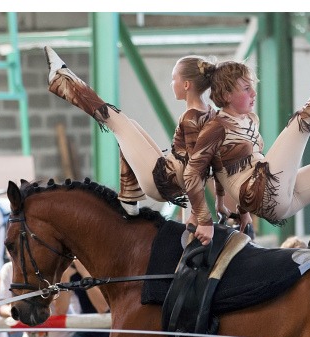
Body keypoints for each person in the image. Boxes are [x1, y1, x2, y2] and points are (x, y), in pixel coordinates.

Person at [182, 19, 310, 248]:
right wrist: (204, 220)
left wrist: (240, 211)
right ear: (227, 94)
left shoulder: (250, 119)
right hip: (262, 192)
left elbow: (225, 167)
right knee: (302, 120)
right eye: (246, 88)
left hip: (280, 200)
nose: (254, 94)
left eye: (253, 87)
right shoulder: (215, 127)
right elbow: (192, 174)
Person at [44, 49, 223, 217]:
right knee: (129, 124)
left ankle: (61, 80)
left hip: (162, 181)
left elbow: (194, 170)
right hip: (168, 178)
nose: (171, 83)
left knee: (115, 120)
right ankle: (129, 197)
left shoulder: (191, 117)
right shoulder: (209, 112)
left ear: (186, 85)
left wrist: (197, 217)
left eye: (173, 78)